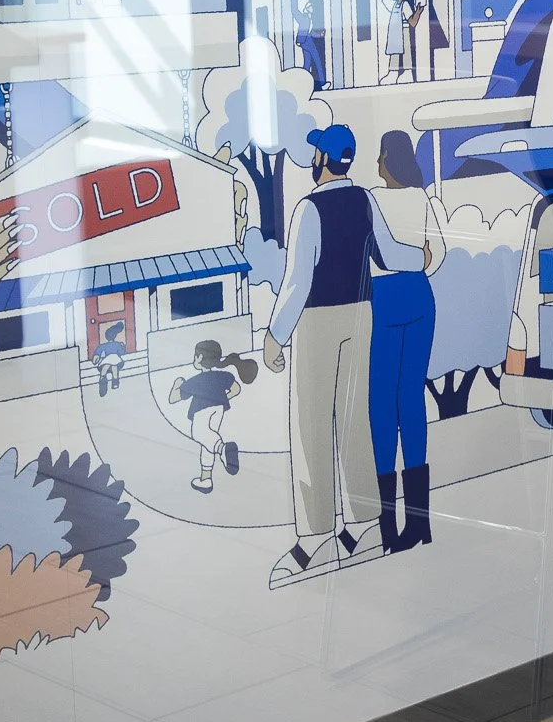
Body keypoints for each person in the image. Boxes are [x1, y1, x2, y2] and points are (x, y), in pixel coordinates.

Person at [263, 123, 425, 587]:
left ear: (322, 162)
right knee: (356, 420)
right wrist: (424, 258)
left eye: (315, 154)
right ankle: (365, 526)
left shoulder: (308, 210)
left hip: (317, 321)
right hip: (361, 315)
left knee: (312, 425)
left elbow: (297, 283)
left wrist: (275, 336)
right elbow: (390, 255)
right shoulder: (364, 201)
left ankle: (315, 539)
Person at [367, 130, 445, 551]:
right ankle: (421, 525)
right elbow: (440, 255)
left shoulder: (373, 202)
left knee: (381, 406)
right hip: (419, 296)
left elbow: (371, 256)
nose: (376, 165)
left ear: (386, 159)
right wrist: (420, 264)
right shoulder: (425, 199)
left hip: (383, 301)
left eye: (379, 157)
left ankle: (388, 530)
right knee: (411, 403)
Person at [168, 339, 254, 494]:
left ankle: (223, 449)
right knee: (207, 442)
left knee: (199, 433)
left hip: (202, 409)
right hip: (219, 408)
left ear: (200, 358)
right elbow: (236, 389)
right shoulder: (223, 376)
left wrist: (177, 383)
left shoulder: (195, 381)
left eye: (195, 356)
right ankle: (206, 479)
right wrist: (223, 398)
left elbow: (173, 398)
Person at [92, 323, 127, 396]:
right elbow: (121, 352)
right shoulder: (117, 344)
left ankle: (103, 380)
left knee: (106, 367)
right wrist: (123, 346)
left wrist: (96, 358)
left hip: (109, 360)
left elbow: (98, 352)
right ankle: (115, 382)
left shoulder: (104, 345)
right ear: (115, 336)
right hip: (114, 360)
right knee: (114, 367)